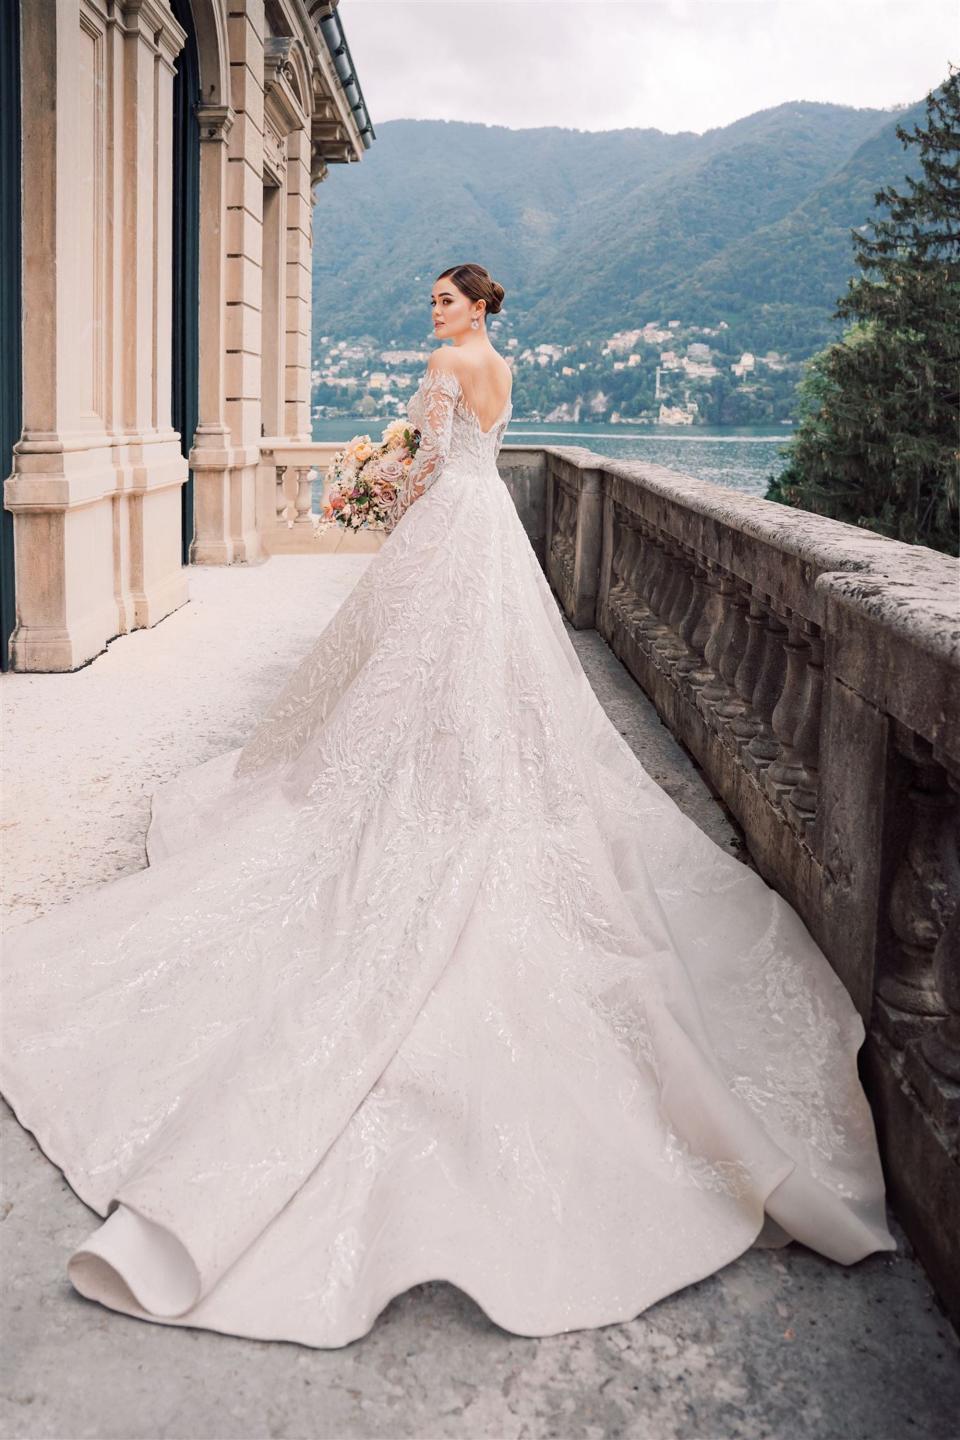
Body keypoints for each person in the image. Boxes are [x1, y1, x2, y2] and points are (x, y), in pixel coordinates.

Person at [0, 263, 896, 1350]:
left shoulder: (441, 368)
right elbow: (473, 455)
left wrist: (374, 487)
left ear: (479, 308)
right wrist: (397, 476)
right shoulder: (504, 368)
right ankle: (464, 786)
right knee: (489, 690)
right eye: (431, 301)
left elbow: (423, 469)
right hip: (494, 543)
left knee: (415, 679)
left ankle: (431, 796)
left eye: (447, 299)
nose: (435, 312)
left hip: (447, 533)